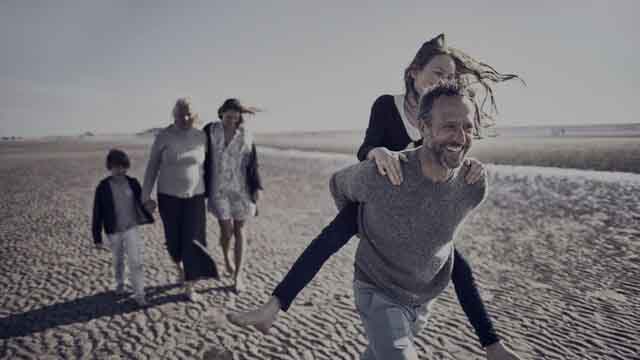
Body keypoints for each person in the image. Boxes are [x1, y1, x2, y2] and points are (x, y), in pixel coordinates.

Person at [228, 34, 522, 359]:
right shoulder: (389, 106)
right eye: (438, 73)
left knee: (453, 260)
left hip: (425, 212)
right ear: (414, 72)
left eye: (450, 76)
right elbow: (364, 151)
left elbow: (453, 152)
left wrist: (467, 165)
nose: (445, 80)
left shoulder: (450, 111)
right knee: (329, 238)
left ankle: (491, 344)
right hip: (380, 189)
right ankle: (274, 305)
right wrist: (377, 157)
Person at [142, 98, 218, 302]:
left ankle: (190, 286)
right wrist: (145, 195)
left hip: (195, 197)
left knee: (193, 241)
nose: (185, 118)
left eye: (189, 114)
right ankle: (180, 266)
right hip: (168, 197)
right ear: (173, 115)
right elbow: (152, 167)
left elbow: (212, 165)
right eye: (180, 114)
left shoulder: (202, 136)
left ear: (195, 115)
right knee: (174, 242)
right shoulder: (163, 136)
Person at [203, 98, 263, 292]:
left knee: (240, 230)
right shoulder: (211, 130)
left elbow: (252, 162)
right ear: (221, 114)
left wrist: (257, 188)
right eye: (228, 116)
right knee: (226, 230)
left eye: (235, 117)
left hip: (241, 189)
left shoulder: (246, 134)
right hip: (218, 189)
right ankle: (226, 256)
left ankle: (238, 275)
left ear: (239, 117)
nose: (231, 120)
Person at [92, 149, 154, 306]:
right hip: (114, 231)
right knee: (118, 260)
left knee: (136, 262)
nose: (119, 170)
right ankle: (120, 285)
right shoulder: (103, 187)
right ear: (109, 167)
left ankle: (140, 294)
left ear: (126, 167)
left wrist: (149, 206)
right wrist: (97, 238)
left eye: (122, 166)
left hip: (131, 228)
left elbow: (142, 202)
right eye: (115, 166)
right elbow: (97, 212)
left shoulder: (133, 183)